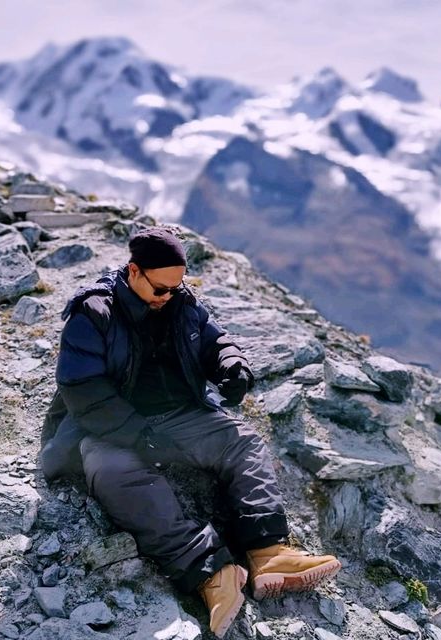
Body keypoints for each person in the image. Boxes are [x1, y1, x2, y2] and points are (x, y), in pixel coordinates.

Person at [40, 227, 341, 638]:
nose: (169, 296)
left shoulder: (180, 301)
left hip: (181, 416)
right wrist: (135, 434)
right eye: (161, 289)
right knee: (112, 473)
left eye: (176, 287)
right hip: (108, 429)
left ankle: (269, 552)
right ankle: (212, 574)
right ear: (133, 271)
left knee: (243, 442)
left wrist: (232, 367)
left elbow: (216, 340)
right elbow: (83, 390)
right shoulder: (93, 313)